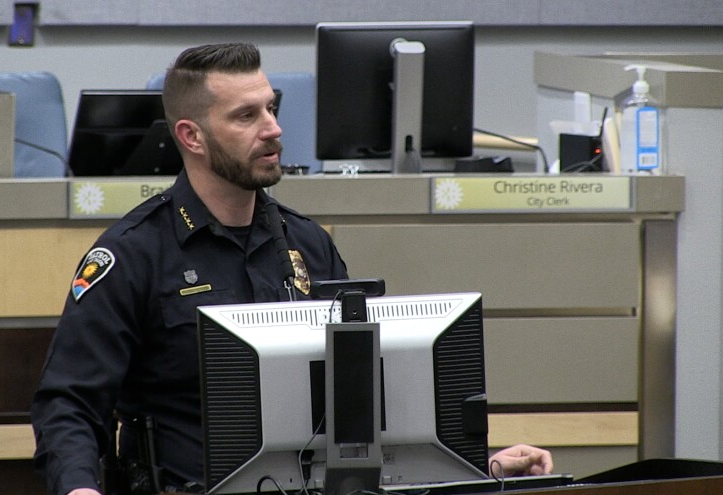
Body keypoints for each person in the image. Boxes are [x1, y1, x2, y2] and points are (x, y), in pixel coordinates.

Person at [31, 42, 552, 495]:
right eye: (246, 116)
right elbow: (69, 405)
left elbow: (362, 402)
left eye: (272, 109)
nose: (274, 130)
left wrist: (471, 469)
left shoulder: (307, 243)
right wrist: (80, 487)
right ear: (191, 137)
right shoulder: (132, 254)